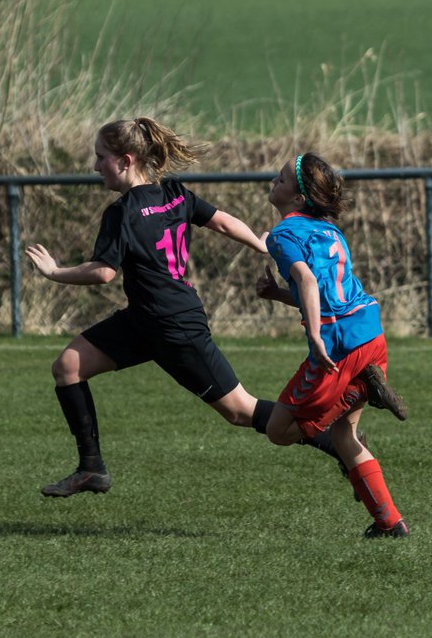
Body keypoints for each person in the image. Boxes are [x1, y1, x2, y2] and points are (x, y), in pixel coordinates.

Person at [25, 117, 346, 498]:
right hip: (144, 320)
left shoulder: (122, 212)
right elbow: (223, 223)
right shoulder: (174, 193)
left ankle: (334, 442)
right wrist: (258, 244)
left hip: (175, 326)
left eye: (100, 158)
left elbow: (104, 273)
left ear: (126, 161)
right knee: (68, 367)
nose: (95, 166)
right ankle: (91, 468)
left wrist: (55, 271)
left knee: (240, 411)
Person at [256, 152, 409, 539]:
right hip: (370, 332)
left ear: (297, 198)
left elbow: (307, 281)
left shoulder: (283, 234)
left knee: (279, 429)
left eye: (282, 179)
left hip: (338, 344)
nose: (274, 181)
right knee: (345, 436)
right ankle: (390, 524)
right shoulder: (330, 232)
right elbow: (328, 290)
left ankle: (360, 387)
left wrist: (313, 335)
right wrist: (277, 293)